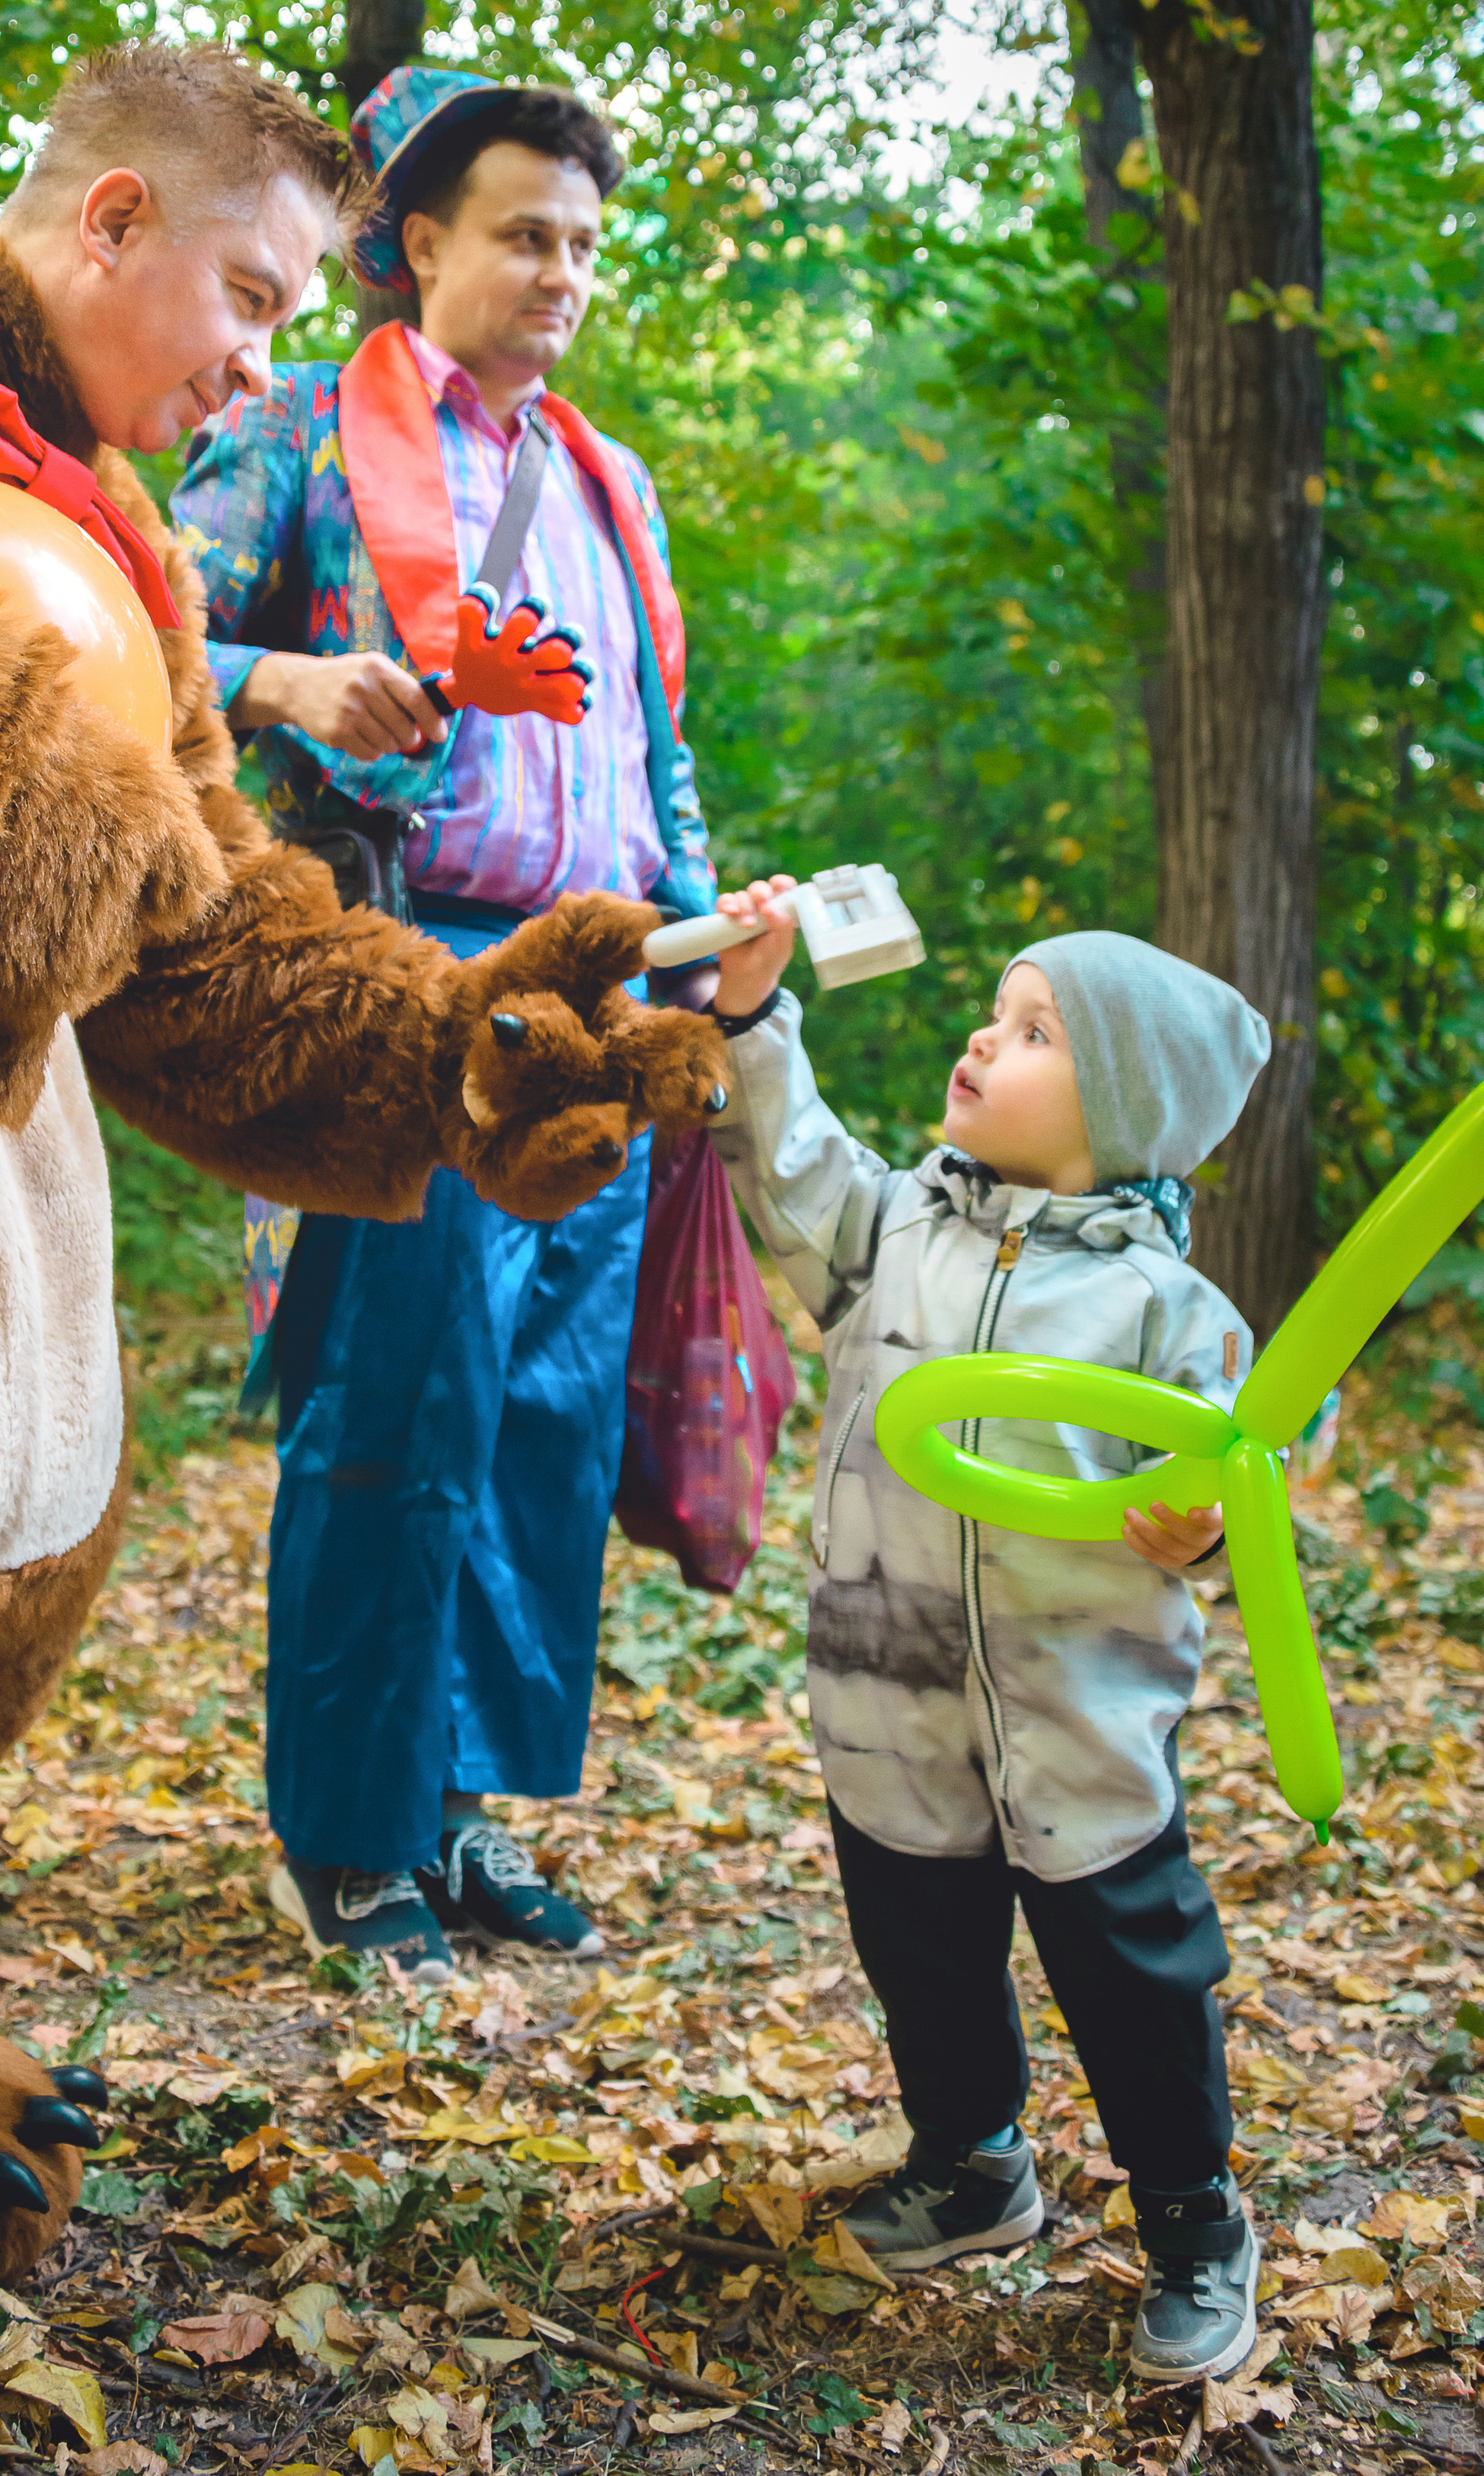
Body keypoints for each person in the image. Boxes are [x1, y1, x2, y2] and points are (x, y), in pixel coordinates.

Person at [171, 65, 716, 1981]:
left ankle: (460, 1811)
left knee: (540, 1425)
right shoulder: (302, 423)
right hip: (405, 982)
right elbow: (132, 634)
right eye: (522, 235)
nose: (561, 272)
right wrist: (291, 682)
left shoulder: (610, 482)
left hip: (596, 999)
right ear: (418, 242)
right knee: (393, 1408)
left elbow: (653, 752)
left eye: (582, 243)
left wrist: (704, 934)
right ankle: (344, 1832)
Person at [705, 886, 1272, 2387]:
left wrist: (1200, 1522)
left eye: (1034, 1032)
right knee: (922, 1951)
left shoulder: (1164, 1308)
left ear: (1123, 1112)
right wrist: (751, 1015)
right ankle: (969, 2164)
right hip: (890, 1698)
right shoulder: (894, 1228)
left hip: (1076, 1717)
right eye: (995, 1012)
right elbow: (790, 1163)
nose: (982, 1038)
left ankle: (1192, 2217)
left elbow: (1247, 1453)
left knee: (1135, 1975)